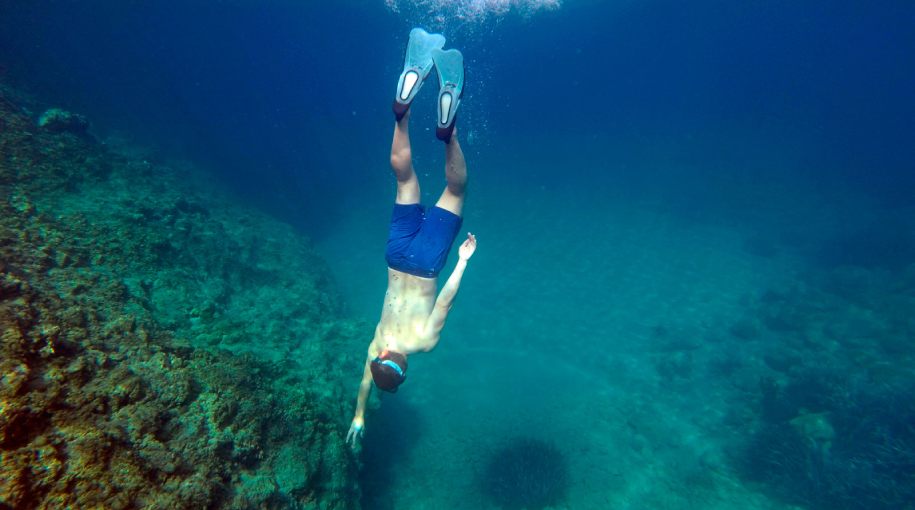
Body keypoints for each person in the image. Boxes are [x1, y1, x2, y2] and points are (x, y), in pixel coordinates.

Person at [346, 28, 476, 448]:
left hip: (426, 264)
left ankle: (448, 134)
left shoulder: (422, 344)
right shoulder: (377, 344)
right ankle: (402, 114)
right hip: (396, 254)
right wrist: (359, 415)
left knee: (455, 191)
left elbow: (445, 301)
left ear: (402, 367)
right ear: (385, 360)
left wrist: (463, 260)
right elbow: (365, 381)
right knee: (404, 180)